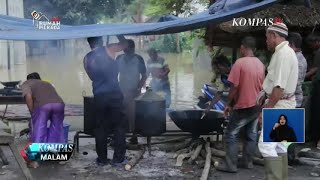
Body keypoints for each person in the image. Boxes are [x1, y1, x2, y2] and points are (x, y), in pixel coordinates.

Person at [215, 36, 264, 173]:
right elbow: (262, 87)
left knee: (231, 134)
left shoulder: (239, 63)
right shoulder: (260, 64)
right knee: (251, 134)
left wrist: (228, 103)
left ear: (243, 47)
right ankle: (247, 162)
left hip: (243, 105)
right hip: (256, 105)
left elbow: (234, 86)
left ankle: (231, 165)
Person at [257, 22, 298, 180]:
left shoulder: (283, 54)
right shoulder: (285, 52)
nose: (266, 41)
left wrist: (266, 110)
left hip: (280, 104)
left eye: (267, 37)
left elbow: (279, 89)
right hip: (288, 103)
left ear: (274, 36)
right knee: (280, 145)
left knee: (265, 146)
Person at [84, 36, 128, 166]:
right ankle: (118, 159)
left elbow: (91, 77)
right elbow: (125, 44)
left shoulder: (86, 58)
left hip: (99, 95)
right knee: (119, 126)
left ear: (89, 43)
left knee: (101, 128)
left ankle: (102, 159)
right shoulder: (109, 49)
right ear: (101, 40)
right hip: (114, 94)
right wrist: (119, 33)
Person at [21, 72, 65, 168]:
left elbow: (28, 97)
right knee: (57, 130)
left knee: (39, 132)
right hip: (59, 104)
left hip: (43, 107)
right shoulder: (46, 83)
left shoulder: (26, 84)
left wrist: (32, 112)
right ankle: (59, 158)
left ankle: (34, 161)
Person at [116, 39, 147, 145]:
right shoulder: (119, 58)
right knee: (120, 114)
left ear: (133, 48)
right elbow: (114, 74)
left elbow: (144, 75)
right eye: (124, 48)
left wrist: (138, 88)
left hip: (134, 91)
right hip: (121, 91)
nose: (125, 50)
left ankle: (134, 137)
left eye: (127, 48)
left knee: (132, 115)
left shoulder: (138, 59)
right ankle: (120, 137)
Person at [305, 35, 320, 148]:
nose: (311, 47)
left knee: (315, 111)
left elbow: (315, 68)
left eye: (312, 44)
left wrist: (304, 76)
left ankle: (314, 138)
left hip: (318, 85)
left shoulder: (318, 53)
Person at [288, 33, 307, 107]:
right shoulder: (300, 57)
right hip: (295, 99)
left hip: (294, 100)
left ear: (291, 44)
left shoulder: (296, 60)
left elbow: (294, 83)